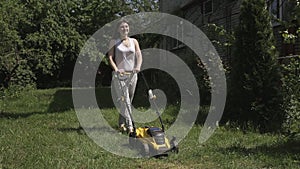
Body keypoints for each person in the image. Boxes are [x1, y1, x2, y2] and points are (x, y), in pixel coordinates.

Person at [108, 19, 142, 133]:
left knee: (128, 101)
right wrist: (116, 69)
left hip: (132, 75)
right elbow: (110, 58)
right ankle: (130, 127)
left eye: (126, 26)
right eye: (122, 27)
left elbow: (139, 55)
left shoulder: (134, 41)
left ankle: (121, 123)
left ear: (129, 28)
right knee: (126, 100)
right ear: (118, 29)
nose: (125, 29)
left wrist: (138, 66)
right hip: (120, 76)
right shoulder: (114, 41)